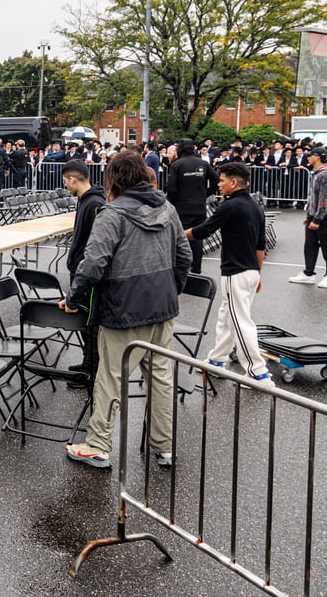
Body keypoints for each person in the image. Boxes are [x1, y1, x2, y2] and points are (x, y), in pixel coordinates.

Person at [62, 150, 191, 469]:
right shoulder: (167, 207)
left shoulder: (112, 214)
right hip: (162, 307)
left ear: (114, 179)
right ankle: (164, 447)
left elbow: (92, 263)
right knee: (160, 377)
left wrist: (74, 297)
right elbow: (184, 255)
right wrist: (172, 289)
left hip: (123, 309)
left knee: (110, 377)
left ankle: (98, 445)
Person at [184, 162, 271, 382]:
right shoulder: (255, 206)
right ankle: (217, 360)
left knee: (240, 321)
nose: (218, 184)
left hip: (235, 272)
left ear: (233, 182)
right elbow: (260, 245)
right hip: (250, 271)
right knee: (227, 316)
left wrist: (175, 234)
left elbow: (203, 231)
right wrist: (258, 273)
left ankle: (257, 372)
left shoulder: (229, 207)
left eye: (222, 180)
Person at [61, 160, 106, 385]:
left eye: (66, 182)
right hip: (79, 268)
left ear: (73, 179)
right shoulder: (85, 201)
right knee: (83, 320)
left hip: (86, 272)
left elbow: (96, 245)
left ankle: (92, 370)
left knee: (89, 321)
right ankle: (87, 360)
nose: (66, 187)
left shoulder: (94, 203)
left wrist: (83, 271)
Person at [164, 139, 218, 274]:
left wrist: (171, 202)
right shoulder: (203, 163)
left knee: (180, 237)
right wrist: (206, 194)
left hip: (182, 207)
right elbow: (216, 179)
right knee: (197, 237)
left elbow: (171, 188)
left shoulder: (177, 165)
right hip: (199, 206)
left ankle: (182, 267)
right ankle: (197, 267)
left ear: (179, 150)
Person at [289, 146, 327, 288]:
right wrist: (310, 216)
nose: (308, 157)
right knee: (310, 245)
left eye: (310, 155)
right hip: (314, 214)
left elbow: (325, 199)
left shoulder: (326, 174)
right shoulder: (317, 173)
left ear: (317, 157)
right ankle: (308, 273)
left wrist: (317, 219)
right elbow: (314, 198)